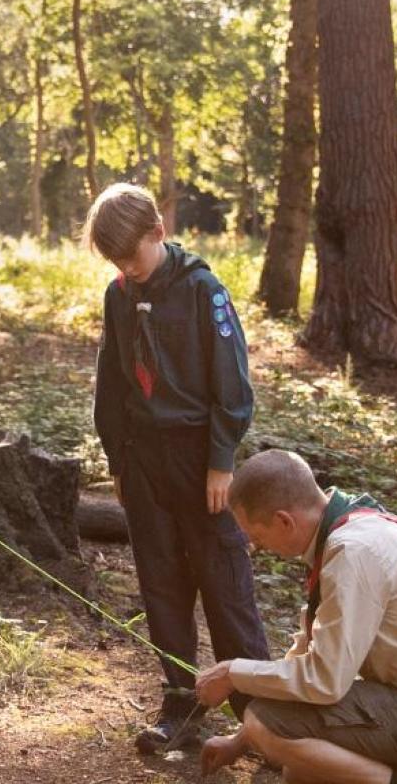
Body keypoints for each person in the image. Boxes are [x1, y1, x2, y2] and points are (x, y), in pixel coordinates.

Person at [195, 450, 397, 784]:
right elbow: (312, 647)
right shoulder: (349, 525)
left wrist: (233, 674)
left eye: (257, 537)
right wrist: (239, 740)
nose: (257, 547)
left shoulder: (355, 552)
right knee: (300, 769)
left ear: (284, 520)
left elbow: (325, 680)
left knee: (265, 723)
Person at [87, 183, 270, 752]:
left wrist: (221, 462)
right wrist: (118, 457)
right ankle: (181, 707)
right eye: (115, 260)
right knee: (161, 584)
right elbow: (111, 381)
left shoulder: (202, 291)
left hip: (198, 459)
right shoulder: (119, 295)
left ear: (157, 233)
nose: (125, 267)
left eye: (131, 255)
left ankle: (260, 719)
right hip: (143, 461)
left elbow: (234, 387)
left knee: (224, 585)